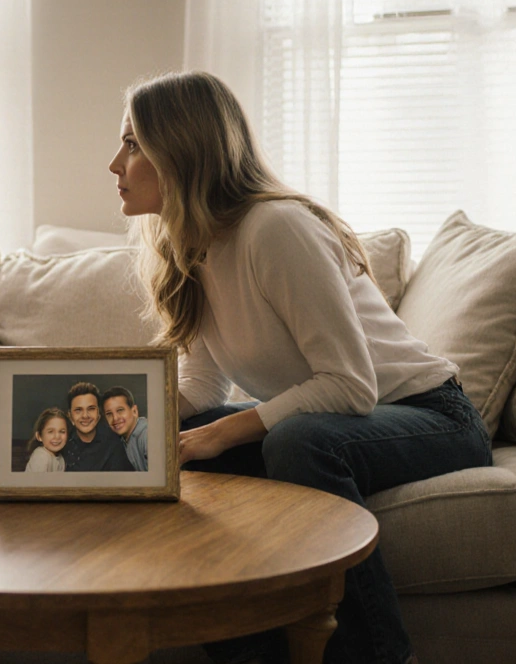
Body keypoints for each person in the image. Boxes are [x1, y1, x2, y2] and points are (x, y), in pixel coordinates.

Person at [108, 71, 491, 664]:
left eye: (132, 145)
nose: (115, 163)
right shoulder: (194, 248)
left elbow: (350, 385)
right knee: (179, 449)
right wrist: (110, 407)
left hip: (431, 416)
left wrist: (223, 431)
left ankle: (383, 656)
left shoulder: (275, 228)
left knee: (298, 441)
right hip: (337, 421)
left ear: (179, 151)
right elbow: (203, 388)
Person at [59, 382, 136, 472]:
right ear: (70, 416)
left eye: (91, 409)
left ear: (99, 414)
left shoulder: (114, 445)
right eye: (78, 410)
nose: (85, 415)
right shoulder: (61, 444)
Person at [101, 386, 148, 471]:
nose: (115, 418)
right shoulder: (122, 440)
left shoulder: (147, 434)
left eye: (120, 410)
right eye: (109, 414)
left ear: (134, 411)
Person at [23, 408, 69, 472]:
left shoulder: (61, 458)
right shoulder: (41, 456)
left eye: (62, 431)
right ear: (39, 436)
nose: (57, 436)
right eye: (50, 432)